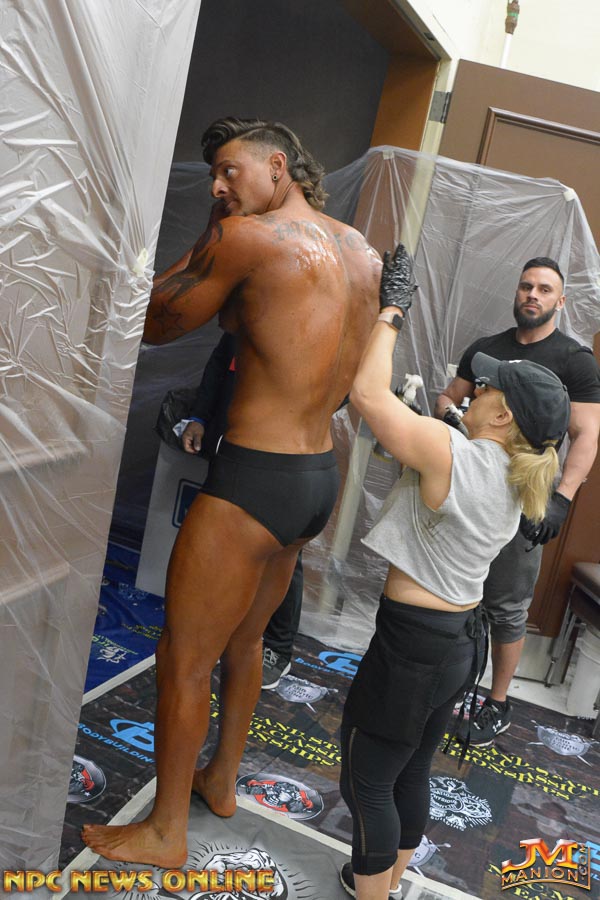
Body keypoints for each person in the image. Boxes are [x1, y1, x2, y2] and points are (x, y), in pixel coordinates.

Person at [82, 117, 381, 866]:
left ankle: (164, 831)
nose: (217, 186)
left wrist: (212, 234)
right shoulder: (361, 251)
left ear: (277, 166)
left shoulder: (248, 238)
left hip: (253, 479)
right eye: (214, 176)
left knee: (184, 655)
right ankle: (219, 780)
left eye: (228, 171)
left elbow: (153, 322)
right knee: (245, 642)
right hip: (315, 480)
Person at [339, 246, 569, 900]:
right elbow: (440, 453)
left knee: (367, 781)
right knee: (411, 772)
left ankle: (373, 891)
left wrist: (392, 310)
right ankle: (385, 881)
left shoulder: (453, 454)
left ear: (503, 414)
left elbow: (365, 395)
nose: (477, 388)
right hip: (457, 645)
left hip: (413, 646)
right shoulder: (513, 474)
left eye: (487, 388)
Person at [434, 257, 600, 746]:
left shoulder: (575, 360)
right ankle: (442, 685)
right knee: (450, 587)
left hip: (525, 497)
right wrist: (453, 422)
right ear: (516, 292)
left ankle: (498, 702)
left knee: (506, 606)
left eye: (545, 289)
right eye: (526, 286)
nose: (533, 294)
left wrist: (562, 499)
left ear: (560, 301)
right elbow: (447, 397)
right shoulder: (487, 350)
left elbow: (587, 434)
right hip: (469, 490)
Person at [182, 331, 302, 689]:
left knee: (281, 548)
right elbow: (220, 363)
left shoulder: (313, 319)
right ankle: (217, 627)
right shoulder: (246, 314)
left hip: (280, 453)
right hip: (229, 443)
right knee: (221, 541)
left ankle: (277, 647)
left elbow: (336, 393)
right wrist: (199, 417)